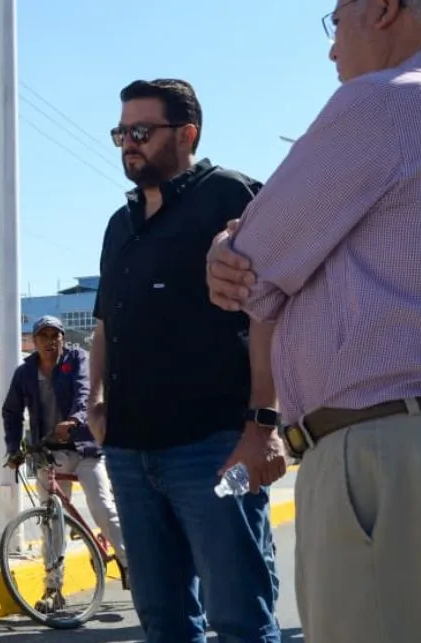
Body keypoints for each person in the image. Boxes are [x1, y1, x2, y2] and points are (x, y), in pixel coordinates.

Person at [205, 0, 421, 641]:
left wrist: (223, 242)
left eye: (336, 23)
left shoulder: (388, 101)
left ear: (383, 4)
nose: (333, 49)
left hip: (393, 454)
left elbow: (251, 271)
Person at [92, 79, 282, 643]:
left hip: (216, 451)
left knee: (240, 620)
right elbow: (104, 324)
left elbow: (271, 311)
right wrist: (95, 403)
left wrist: (263, 425)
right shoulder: (119, 224)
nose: (129, 143)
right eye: (121, 132)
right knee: (163, 623)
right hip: (130, 456)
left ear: (187, 134)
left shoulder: (230, 196)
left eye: (141, 131)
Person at [2, 315, 129, 611]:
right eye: (43, 336)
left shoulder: (77, 359)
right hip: (49, 453)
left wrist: (73, 420)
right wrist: (13, 449)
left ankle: (130, 565)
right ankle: (53, 588)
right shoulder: (25, 373)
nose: (50, 341)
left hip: (84, 448)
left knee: (103, 508)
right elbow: (11, 412)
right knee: (51, 522)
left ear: (62, 338)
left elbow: (86, 393)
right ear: (34, 341)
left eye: (55, 335)